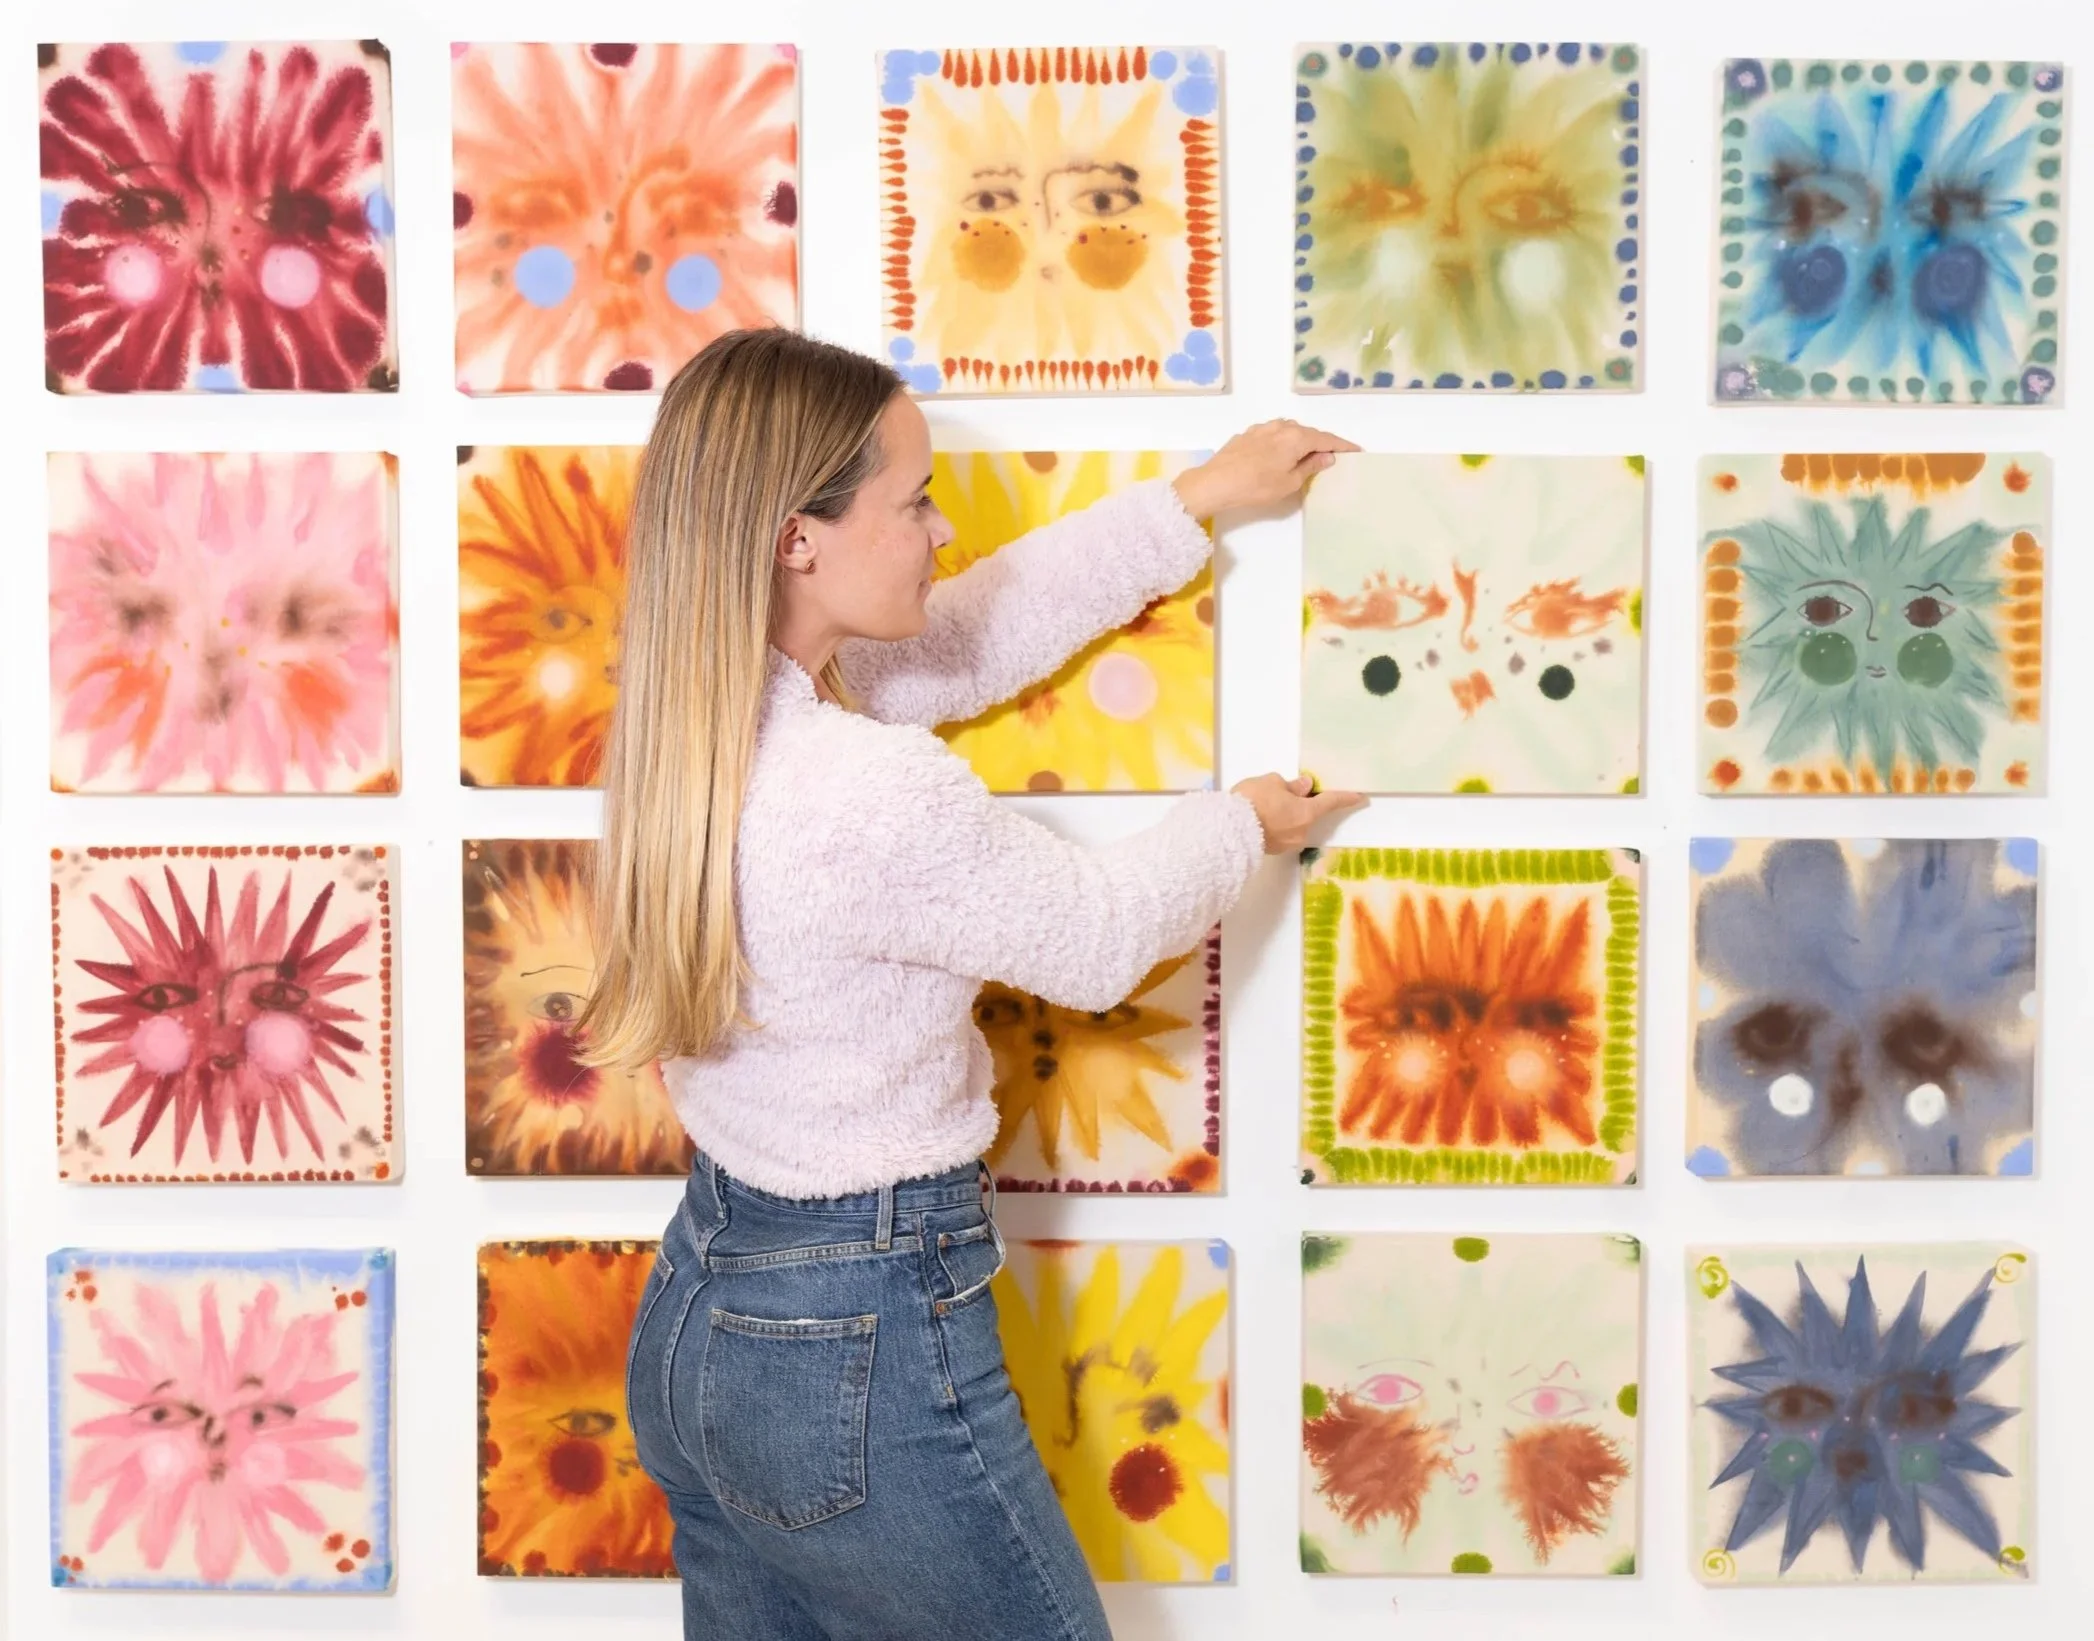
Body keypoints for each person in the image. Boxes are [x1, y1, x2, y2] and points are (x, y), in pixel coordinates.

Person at [583, 326, 1364, 1639]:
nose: (940, 531)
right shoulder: (859, 790)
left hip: (708, 1315)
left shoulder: (695, 717)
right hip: (855, 1331)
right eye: (914, 500)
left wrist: (1197, 503)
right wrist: (1243, 823)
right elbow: (1100, 933)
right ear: (798, 538)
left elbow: (961, 637)